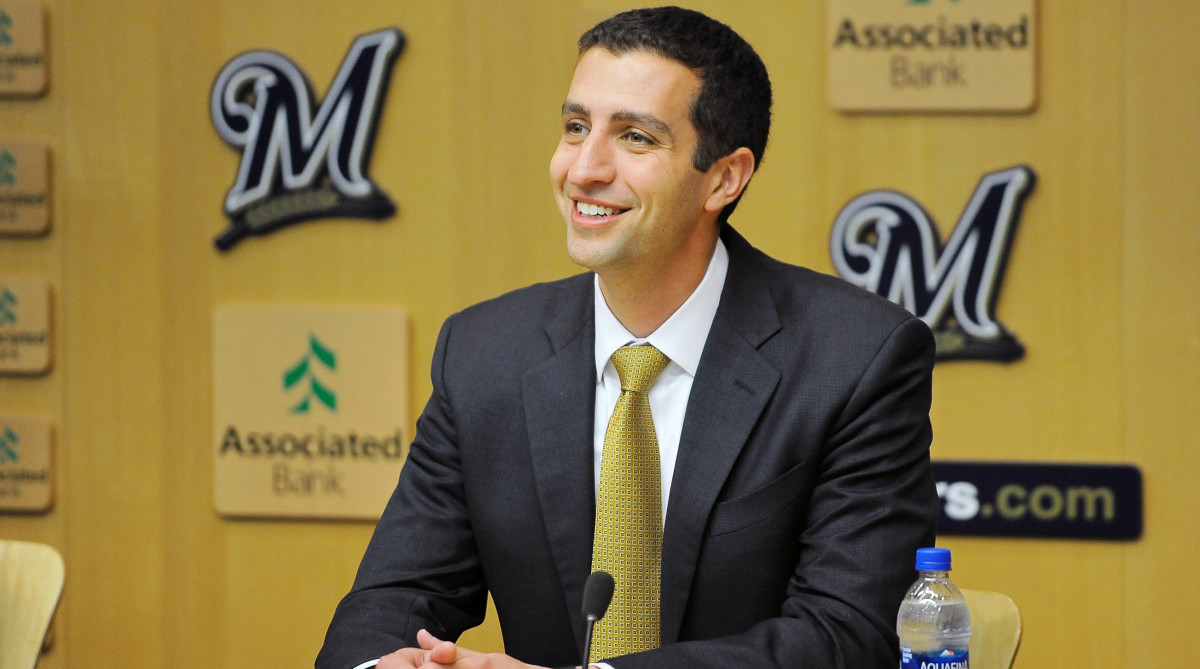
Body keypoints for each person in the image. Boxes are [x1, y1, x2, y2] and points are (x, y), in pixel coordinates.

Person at [316, 6, 938, 669]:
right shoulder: (483, 353)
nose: (583, 169)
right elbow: (397, 595)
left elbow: (848, 633)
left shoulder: (855, 357)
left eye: (635, 138)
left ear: (724, 177)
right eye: (575, 127)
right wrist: (388, 665)